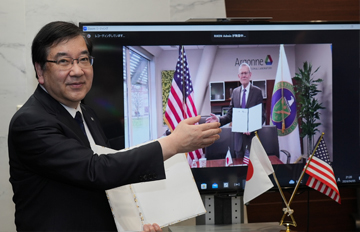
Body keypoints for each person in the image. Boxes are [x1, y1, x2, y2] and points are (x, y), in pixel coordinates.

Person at [8, 21, 221, 232]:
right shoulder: (30, 122)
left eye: (83, 59)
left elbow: (106, 183)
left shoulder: (86, 113)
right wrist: (173, 143)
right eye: (64, 61)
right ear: (40, 71)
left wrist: (133, 225)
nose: (77, 70)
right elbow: (96, 170)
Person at [206, 63, 265, 159]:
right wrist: (219, 119)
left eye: (246, 73)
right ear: (238, 76)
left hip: (252, 141)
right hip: (238, 142)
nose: (244, 75)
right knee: (240, 172)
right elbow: (230, 115)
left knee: (253, 171)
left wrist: (252, 127)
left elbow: (262, 116)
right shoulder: (235, 92)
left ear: (250, 74)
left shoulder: (257, 92)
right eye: (241, 73)